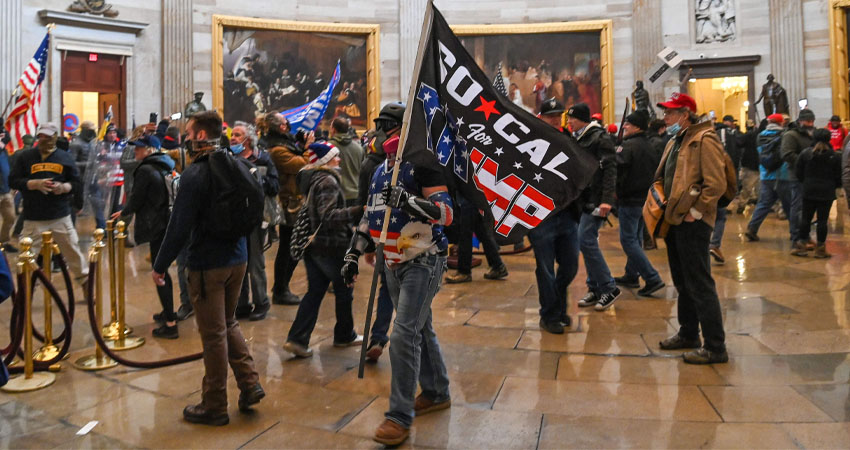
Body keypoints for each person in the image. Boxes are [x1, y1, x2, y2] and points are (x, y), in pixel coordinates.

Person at [341, 128, 453, 446]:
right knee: (421, 328)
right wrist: (353, 253)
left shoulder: (423, 164)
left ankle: (399, 416)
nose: (381, 133)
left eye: (387, 126)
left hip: (423, 259)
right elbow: (370, 215)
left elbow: (446, 214)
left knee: (404, 335)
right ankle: (436, 391)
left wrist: (408, 201)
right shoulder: (379, 169)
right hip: (391, 262)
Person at [152, 111, 264, 426]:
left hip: (207, 265)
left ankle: (214, 404)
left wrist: (160, 265)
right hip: (238, 258)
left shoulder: (195, 174)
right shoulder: (238, 164)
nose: (186, 137)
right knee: (228, 322)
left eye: (189, 132)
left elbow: (178, 226)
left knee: (213, 336)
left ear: (201, 135)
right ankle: (250, 383)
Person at [653, 93, 728, 365]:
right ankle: (688, 333)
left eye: (670, 113)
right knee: (682, 281)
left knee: (699, 283)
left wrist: (695, 213)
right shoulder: (676, 140)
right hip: (674, 219)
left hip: (693, 222)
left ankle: (715, 347)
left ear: (685, 115)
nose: (665, 117)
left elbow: (716, 183)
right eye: (665, 113)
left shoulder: (704, 139)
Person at [282, 142, 363, 357]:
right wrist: (357, 211)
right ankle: (344, 335)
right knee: (344, 290)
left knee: (315, 291)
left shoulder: (314, 179)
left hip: (315, 246)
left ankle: (297, 339)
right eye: (335, 156)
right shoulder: (327, 181)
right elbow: (328, 216)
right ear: (325, 160)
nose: (339, 159)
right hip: (332, 245)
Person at [113, 135, 178, 338]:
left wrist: (124, 212)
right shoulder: (165, 164)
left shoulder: (145, 170)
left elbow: (137, 198)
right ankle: (168, 312)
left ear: (150, 149)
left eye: (140, 148)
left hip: (155, 224)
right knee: (163, 271)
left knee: (159, 273)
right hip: (167, 221)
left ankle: (170, 324)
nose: (136, 151)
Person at [8, 123, 88, 287]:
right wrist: (33, 184)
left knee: (74, 254)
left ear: (55, 137)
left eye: (48, 136)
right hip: (33, 217)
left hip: (60, 215)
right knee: (26, 258)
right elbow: (13, 181)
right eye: (41, 136)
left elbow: (77, 182)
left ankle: (86, 284)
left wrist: (64, 187)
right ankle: (26, 291)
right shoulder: (26, 156)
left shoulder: (65, 157)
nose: (44, 139)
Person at [530, 98, 581, 335]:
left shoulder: (569, 140)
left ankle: (558, 305)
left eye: (558, 115)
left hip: (567, 213)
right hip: (542, 216)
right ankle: (549, 315)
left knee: (570, 266)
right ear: (541, 117)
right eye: (550, 116)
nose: (555, 119)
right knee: (545, 268)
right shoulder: (530, 142)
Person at [359, 103, 405, 362]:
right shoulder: (375, 164)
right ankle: (381, 337)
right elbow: (367, 205)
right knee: (389, 289)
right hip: (390, 237)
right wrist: (367, 243)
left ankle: (381, 337)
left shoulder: (411, 158)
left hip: (407, 239)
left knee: (391, 291)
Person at [568, 103, 620, 311]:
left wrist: (607, 199)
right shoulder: (578, 138)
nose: (569, 122)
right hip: (583, 199)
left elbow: (610, 170)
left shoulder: (600, 138)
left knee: (586, 240)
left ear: (582, 119)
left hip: (596, 199)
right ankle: (595, 287)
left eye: (572, 118)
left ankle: (609, 287)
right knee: (586, 242)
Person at [260, 111, 310, 306]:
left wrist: (300, 145)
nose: (288, 125)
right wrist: (307, 148)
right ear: (281, 127)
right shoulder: (276, 150)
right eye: (285, 122)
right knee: (289, 247)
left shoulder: (283, 144)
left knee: (292, 245)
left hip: (293, 199)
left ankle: (281, 286)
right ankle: (281, 289)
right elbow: (301, 165)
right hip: (289, 202)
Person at [613, 111, 665, 296]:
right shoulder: (650, 144)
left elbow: (618, 171)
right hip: (645, 199)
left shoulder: (628, 146)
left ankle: (652, 278)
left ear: (636, 127)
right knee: (636, 238)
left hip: (630, 199)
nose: (624, 126)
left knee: (628, 240)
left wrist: (615, 192)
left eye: (628, 124)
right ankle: (631, 274)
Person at [231, 122, 278, 321]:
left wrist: (255, 180)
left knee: (255, 264)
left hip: (256, 218)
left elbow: (274, 186)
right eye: (232, 134)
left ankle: (261, 302)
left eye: (237, 135)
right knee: (238, 262)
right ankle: (241, 304)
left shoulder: (263, 159)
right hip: (235, 218)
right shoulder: (229, 159)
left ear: (248, 139)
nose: (233, 138)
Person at [745, 114, 797, 242]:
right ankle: (795, 233)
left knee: (763, 204)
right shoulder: (786, 135)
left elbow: (760, 153)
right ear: (781, 123)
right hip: (783, 174)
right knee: (789, 206)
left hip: (766, 175)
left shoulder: (760, 136)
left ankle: (752, 229)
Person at [792, 128, 842, 258]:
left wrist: (806, 182)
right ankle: (820, 249)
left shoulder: (806, 154)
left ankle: (801, 246)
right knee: (822, 221)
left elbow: (798, 172)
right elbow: (838, 176)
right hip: (826, 192)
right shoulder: (835, 156)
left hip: (809, 190)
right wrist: (833, 186)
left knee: (805, 219)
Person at [444, 191, 508, 283]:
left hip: (468, 193)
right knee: (481, 230)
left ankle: (464, 271)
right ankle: (497, 266)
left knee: (465, 232)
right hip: (472, 194)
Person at [708, 115, 743, 264]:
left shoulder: (700, 143)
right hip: (718, 185)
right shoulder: (726, 141)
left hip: (703, 189)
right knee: (720, 217)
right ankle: (714, 244)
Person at [780, 108, 815, 243]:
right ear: (800, 121)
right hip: (797, 176)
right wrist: (806, 161)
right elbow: (787, 154)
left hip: (810, 176)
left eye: (812, 121)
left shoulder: (811, 134)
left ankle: (805, 235)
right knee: (798, 207)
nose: (810, 124)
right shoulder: (791, 135)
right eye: (807, 121)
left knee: (808, 208)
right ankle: (796, 236)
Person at [728, 120, 760, 214]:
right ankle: (744, 204)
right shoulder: (757, 135)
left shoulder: (747, 135)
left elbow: (738, 143)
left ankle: (742, 205)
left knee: (747, 187)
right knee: (756, 187)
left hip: (750, 164)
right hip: (758, 165)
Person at [328, 117, 362, 207]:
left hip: (337, 195)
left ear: (333, 129)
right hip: (356, 194)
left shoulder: (329, 147)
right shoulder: (359, 147)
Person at [0, 132, 16, 252]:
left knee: (10, 218)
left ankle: (4, 242)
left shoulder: (4, 152)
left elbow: (8, 169)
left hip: (6, 190)